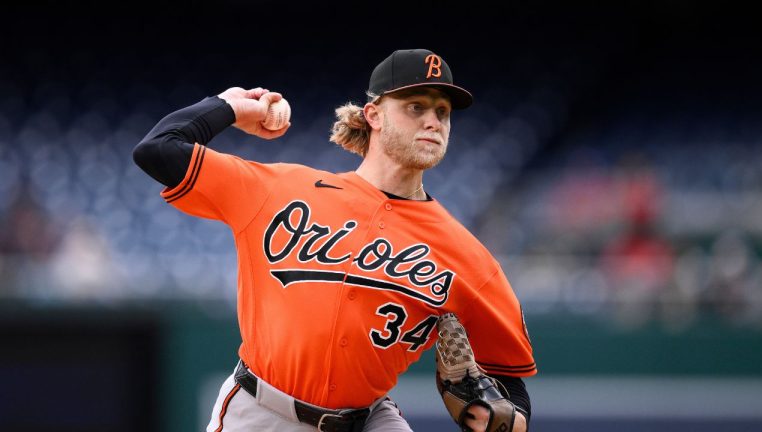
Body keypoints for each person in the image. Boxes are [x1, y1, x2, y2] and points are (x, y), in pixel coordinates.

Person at [133, 48, 536, 432]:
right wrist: (229, 106)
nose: (433, 121)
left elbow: (510, 384)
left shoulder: (468, 258)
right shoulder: (281, 189)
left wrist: (504, 419)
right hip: (261, 411)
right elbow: (157, 150)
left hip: (367, 418)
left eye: (443, 112)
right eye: (416, 107)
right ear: (374, 115)